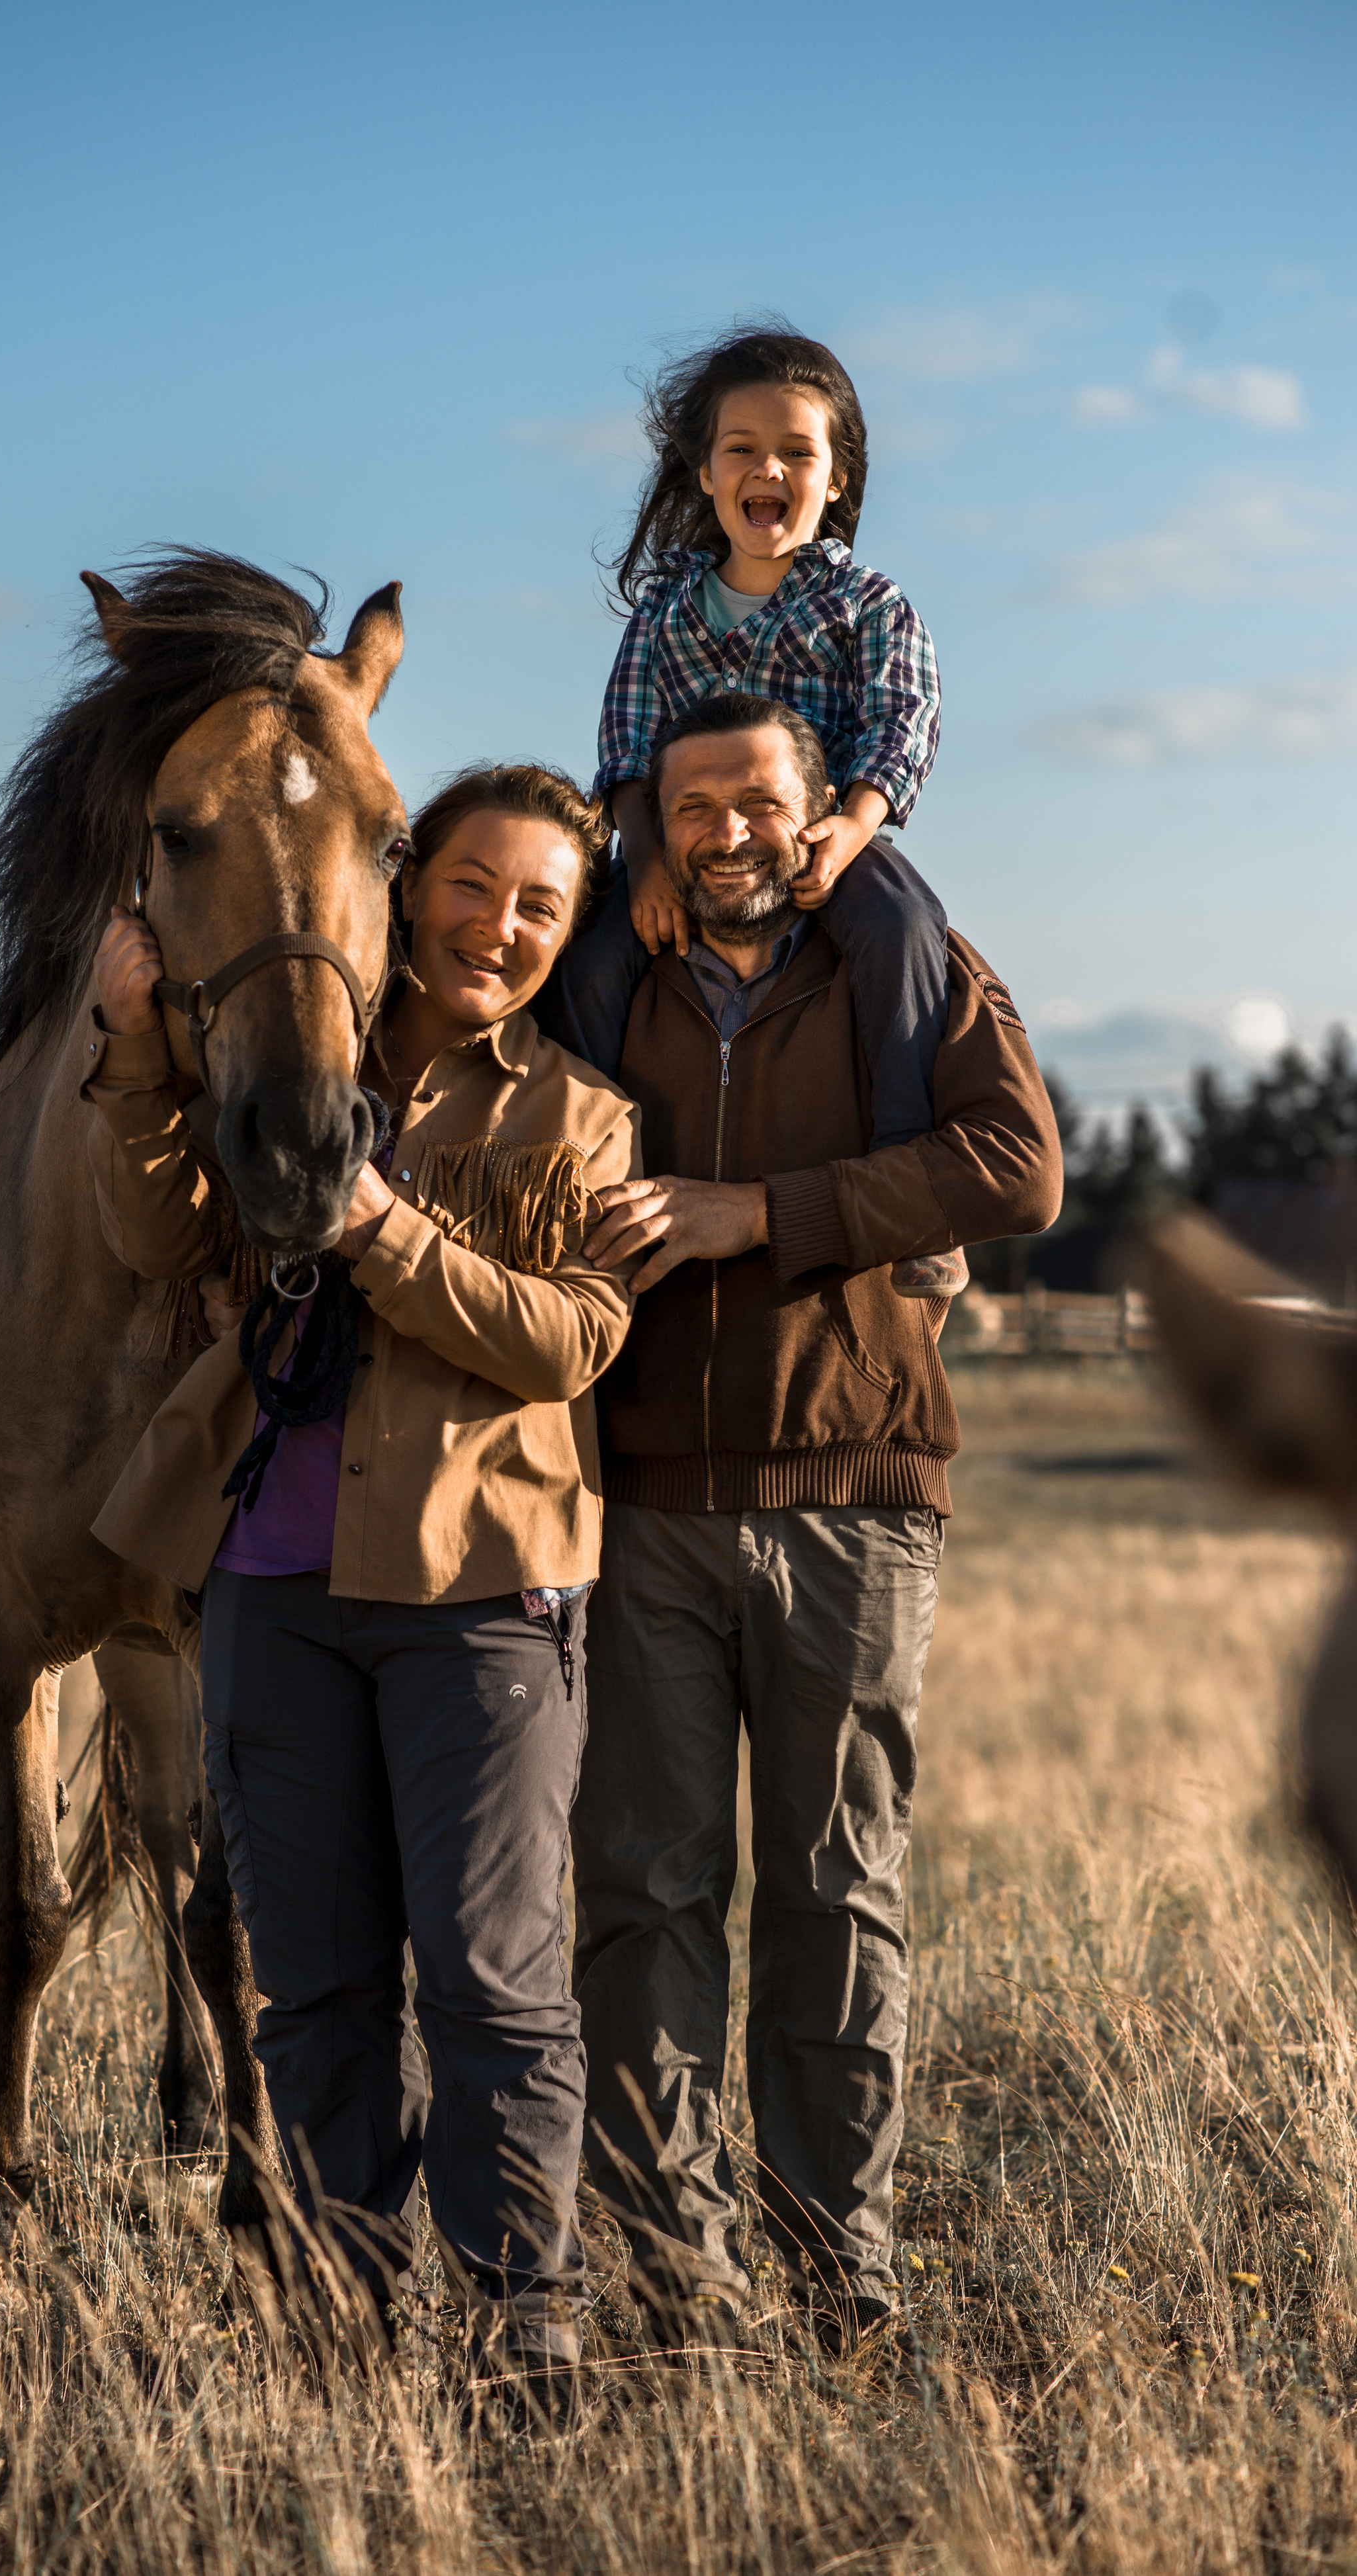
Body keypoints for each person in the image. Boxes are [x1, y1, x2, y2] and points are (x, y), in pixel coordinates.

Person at [81, 762, 638, 2378]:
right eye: (471, 885)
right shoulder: (282, 1057)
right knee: (313, 1985)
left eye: (541, 906)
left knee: (490, 1979)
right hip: (269, 1579)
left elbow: (565, 1339)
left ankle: (521, 2305)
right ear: (404, 885)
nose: (500, 926)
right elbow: (160, 1240)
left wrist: (378, 1225)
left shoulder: (579, 1119)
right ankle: (344, 2300)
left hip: (482, 1594)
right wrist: (128, 1055)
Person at [567, 693, 1061, 2352]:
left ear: (816, 808)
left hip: (853, 1493)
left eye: (756, 801)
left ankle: (832, 2269)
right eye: (691, 805)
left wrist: (755, 1218)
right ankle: (667, 2278)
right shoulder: (602, 977)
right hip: (636, 1499)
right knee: (641, 1889)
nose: (725, 832)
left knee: (834, 1889)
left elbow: (1015, 1165)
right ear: (651, 819)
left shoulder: (902, 972)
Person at [539, 320, 965, 1299]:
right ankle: (568, 1173)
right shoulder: (664, 611)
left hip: (825, 835)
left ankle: (912, 1180)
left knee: (903, 927)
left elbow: (905, 719)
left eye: (797, 451)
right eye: (742, 449)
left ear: (838, 479)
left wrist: (853, 825)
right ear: (704, 474)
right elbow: (626, 745)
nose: (767, 467)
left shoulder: (870, 603)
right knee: (592, 961)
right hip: (686, 849)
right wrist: (642, 862)